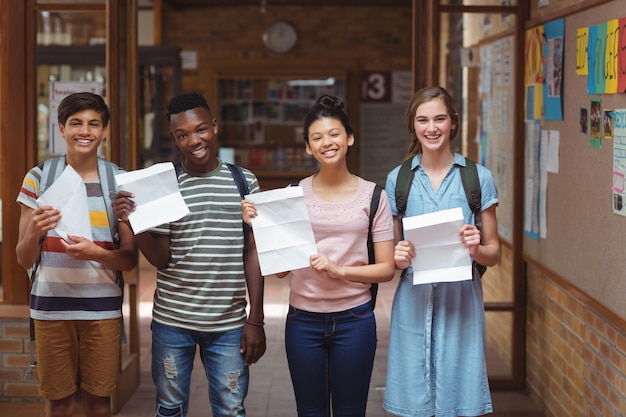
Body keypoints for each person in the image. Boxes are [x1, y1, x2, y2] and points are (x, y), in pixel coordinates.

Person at [112, 92, 266, 417]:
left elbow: (253, 252)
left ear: (214, 126)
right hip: (173, 322)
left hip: (228, 323)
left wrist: (256, 318)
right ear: (174, 138)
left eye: (200, 130)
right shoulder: (167, 186)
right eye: (182, 135)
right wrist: (134, 223)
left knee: (231, 409)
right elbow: (162, 259)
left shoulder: (244, 182)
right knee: (169, 408)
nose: (193, 140)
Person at [242, 95, 396, 417]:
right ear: (308, 148)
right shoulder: (293, 195)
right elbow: (281, 272)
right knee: (309, 411)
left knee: (350, 411)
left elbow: (386, 269)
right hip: (303, 321)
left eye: (335, 133)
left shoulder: (375, 196)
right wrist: (259, 226)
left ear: (350, 138)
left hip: (355, 319)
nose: (328, 142)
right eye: (317, 137)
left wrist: (339, 271)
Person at [15, 92, 138, 417]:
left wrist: (95, 253)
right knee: (59, 403)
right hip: (50, 308)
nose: (85, 131)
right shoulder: (39, 178)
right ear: (61, 128)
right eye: (76, 123)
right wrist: (34, 231)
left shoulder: (119, 181)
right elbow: (23, 258)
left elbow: (129, 259)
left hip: (102, 310)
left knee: (99, 404)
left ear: (105, 130)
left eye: (94, 124)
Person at [382, 86, 500, 417]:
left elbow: (494, 253)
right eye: (423, 120)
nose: (431, 128)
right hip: (413, 301)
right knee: (413, 399)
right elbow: (391, 254)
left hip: (461, 300)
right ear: (413, 125)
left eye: (439, 119)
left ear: (452, 123)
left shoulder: (478, 178)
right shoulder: (398, 180)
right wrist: (398, 256)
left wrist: (476, 248)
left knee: (459, 400)